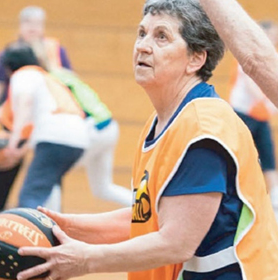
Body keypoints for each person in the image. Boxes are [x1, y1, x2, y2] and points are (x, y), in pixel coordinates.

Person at [16, 1, 278, 280]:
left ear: (196, 58)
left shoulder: (203, 125)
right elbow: (148, 217)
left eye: (161, 36)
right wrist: (68, 226)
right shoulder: (161, 121)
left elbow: (176, 242)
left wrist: (86, 260)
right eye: (142, 33)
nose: (143, 45)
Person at [0, 5, 72, 212]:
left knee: (48, 170)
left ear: (43, 27)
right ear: (20, 26)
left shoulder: (54, 50)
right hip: (16, 120)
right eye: (28, 22)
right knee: (6, 165)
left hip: (46, 119)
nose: (32, 28)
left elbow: (68, 82)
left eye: (37, 23)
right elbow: (0, 87)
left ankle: (52, 218)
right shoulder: (9, 53)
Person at [1, 42, 89, 212]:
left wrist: (13, 140)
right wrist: (23, 147)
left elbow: (26, 103)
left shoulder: (23, 75)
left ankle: (26, 236)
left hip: (55, 137)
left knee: (30, 195)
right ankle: (51, 230)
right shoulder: (45, 77)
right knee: (47, 187)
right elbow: (40, 120)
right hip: (78, 139)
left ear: (9, 67)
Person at [51, 68, 132, 206]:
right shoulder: (65, 75)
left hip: (94, 128)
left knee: (50, 172)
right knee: (103, 188)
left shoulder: (51, 80)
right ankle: (145, 210)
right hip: (108, 126)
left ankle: (47, 221)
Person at [229, 20, 278, 218]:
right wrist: (269, 102)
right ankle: (233, 199)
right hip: (242, 116)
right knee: (238, 159)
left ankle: (275, 204)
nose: (274, 40)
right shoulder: (248, 55)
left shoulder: (272, 59)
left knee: (269, 162)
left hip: (261, 118)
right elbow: (253, 86)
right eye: (271, 36)